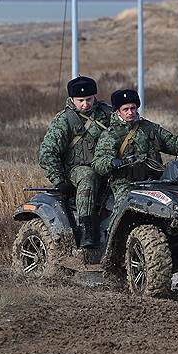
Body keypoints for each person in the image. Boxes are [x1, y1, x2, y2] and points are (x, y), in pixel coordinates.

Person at [92, 89, 178, 208]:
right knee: (125, 207)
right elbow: (99, 161)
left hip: (156, 179)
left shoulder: (149, 127)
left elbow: (173, 141)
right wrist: (112, 162)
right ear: (118, 111)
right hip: (126, 183)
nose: (130, 112)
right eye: (125, 109)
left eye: (133, 108)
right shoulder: (110, 134)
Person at [39, 76, 113, 249]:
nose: (85, 104)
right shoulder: (64, 120)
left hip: (107, 165)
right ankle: (87, 230)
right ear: (72, 99)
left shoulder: (107, 114)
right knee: (88, 176)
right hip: (76, 169)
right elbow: (47, 153)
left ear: (95, 96)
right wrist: (59, 180)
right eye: (80, 101)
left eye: (88, 99)